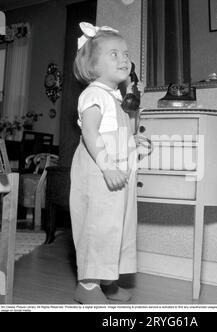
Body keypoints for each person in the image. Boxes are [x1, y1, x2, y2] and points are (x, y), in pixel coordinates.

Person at [70, 22, 141, 304]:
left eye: (125, 53)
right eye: (114, 54)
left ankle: (109, 280)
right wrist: (107, 166)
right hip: (100, 170)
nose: (124, 58)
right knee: (98, 226)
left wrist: (134, 97)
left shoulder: (116, 96)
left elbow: (130, 131)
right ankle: (87, 285)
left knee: (119, 226)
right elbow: (90, 132)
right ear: (93, 66)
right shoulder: (93, 94)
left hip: (118, 171)